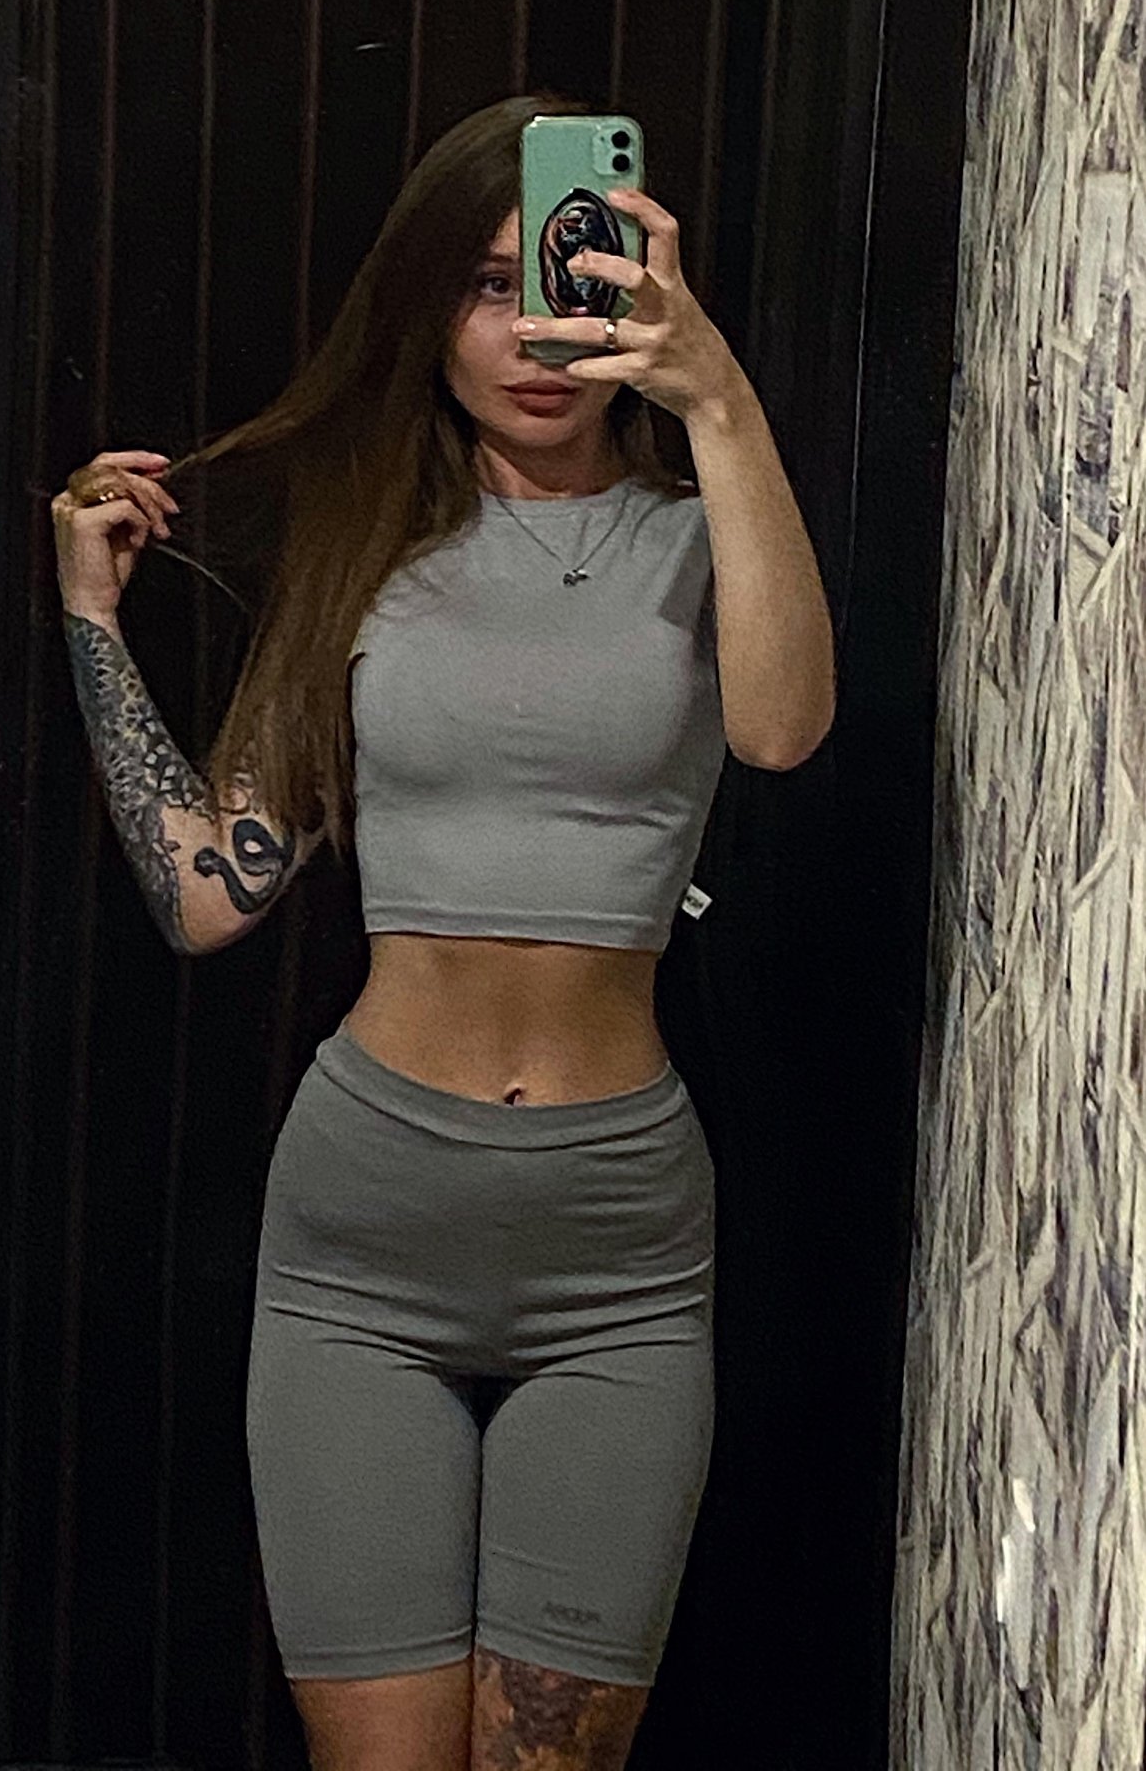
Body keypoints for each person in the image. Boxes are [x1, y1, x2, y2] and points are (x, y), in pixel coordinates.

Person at [51, 92, 834, 1771]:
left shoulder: (702, 537)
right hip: (363, 1249)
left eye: (574, 272)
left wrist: (715, 394)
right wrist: (91, 619)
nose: (536, 328)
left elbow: (779, 731)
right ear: (426, 310)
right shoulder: (364, 554)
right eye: (488, 283)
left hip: (618, 1257)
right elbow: (207, 893)